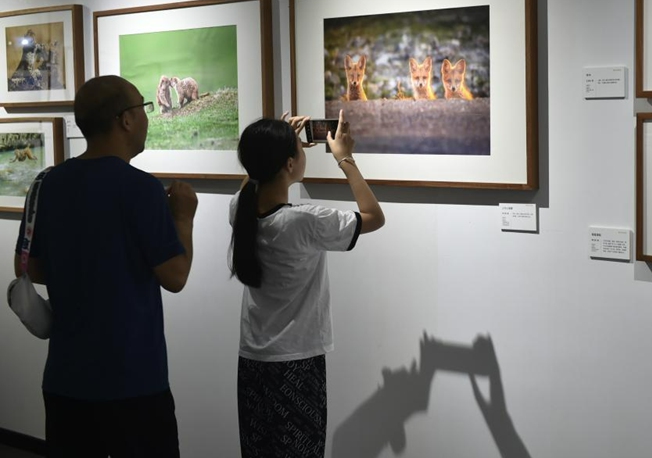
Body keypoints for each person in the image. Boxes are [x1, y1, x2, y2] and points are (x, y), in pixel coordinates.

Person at [13, 75, 197, 457]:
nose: (147, 117)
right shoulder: (140, 188)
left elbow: (30, 267)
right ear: (125, 120)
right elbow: (175, 276)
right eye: (144, 108)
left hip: (66, 379)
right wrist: (183, 217)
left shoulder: (47, 183)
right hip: (133, 381)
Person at [229, 110, 385, 457]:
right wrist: (345, 158)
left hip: (253, 358)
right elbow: (374, 217)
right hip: (296, 361)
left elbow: (251, 182)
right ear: (288, 164)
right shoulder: (304, 221)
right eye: (298, 153)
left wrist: (280, 146)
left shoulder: (239, 210)